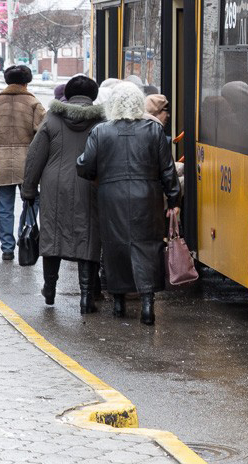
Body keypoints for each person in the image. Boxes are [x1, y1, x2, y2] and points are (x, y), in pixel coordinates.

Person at [76, 81, 182, 325]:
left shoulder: (101, 131)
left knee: (115, 247)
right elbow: (168, 170)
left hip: (111, 196)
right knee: (147, 246)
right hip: (147, 196)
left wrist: (98, 177)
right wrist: (174, 199)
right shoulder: (153, 130)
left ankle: (118, 302)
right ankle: (147, 303)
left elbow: (84, 164)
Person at [23, 75, 106, 314]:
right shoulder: (102, 121)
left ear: (68, 95)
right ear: (93, 95)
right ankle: (86, 299)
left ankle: (49, 290)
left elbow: (35, 156)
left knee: (53, 237)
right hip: (90, 185)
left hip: (53, 186)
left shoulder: (52, 119)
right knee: (89, 238)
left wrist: (29, 190)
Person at [0, 64, 46, 260]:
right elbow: (43, 135)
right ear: (27, 81)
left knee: (5, 206)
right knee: (31, 201)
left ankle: (7, 248)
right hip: (28, 164)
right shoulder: (34, 104)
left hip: (2, 163)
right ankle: (26, 237)